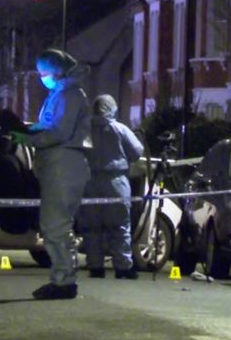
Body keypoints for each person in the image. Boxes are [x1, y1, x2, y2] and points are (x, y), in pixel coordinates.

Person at [13, 49, 91, 300]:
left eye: (44, 72)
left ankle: (64, 280)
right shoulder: (61, 94)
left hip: (63, 163)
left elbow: (58, 132)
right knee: (54, 224)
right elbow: (51, 126)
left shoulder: (70, 95)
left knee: (56, 225)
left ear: (58, 70)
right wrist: (29, 130)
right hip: (59, 164)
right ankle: (63, 278)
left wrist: (28, 137)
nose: (41, 77)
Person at [81, 95, 144, 279]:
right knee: (120, 225)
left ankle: (95, 266)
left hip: (90, 182)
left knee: (92, 227)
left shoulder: (85, 130)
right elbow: (137, 152)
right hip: (116, 182)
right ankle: (123, 267)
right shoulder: (119, 129)